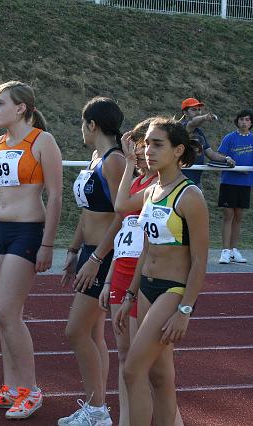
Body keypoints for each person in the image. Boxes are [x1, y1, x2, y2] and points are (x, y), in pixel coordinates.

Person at [0, 81, 62, 420]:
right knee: (3, 314)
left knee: (7, 312)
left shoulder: (42, 141)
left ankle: (31, 389)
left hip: (26, 230)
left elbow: (55, 196)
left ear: (21, 107)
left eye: (0, 103)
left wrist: (48, 243)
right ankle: (11, 387)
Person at [114, 117, 209, 426]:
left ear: (178, 150)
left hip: (172, 290)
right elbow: (123, 210)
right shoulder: (153, 189)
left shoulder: (190, 195)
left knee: (132, 369)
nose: (148, 150)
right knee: (160, 376)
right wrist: (130, 294)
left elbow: (199, 261)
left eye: (157, 144)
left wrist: (184, 310)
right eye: (146, 144)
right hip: (146, 288)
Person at [59, 97, 125, 426]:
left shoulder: (114, 161)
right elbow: (87, 212)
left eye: (82, 124)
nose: (81, 130)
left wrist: (96, 258)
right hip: (89, 252)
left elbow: (123, 213)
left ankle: (97, 409)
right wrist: (73, 252)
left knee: (76, 331)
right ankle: (97, 408)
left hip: (104, 254)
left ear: (92, 125)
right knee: (94, 335)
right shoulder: (96, 157)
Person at [98, 119, 157, 426]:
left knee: (144, 365)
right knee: (124, 357)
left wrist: (132, 161)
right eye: (136, 144)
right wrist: (108, 278)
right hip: (121, 274)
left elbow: (123, 208)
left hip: (145, 277)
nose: (141, 150)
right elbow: (121, 221)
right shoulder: (133, 182)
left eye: (147, 144)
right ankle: (124, 419)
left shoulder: (159, 186)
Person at [217, 109, 253, 264]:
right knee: (228, 215)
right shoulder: (229, 138)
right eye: (242, 119)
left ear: (251, 123)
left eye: (247, 120)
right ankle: (225, 250)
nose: (244, 122)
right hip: (229, 182)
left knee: (238, 216)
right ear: (237, 121)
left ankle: (234, 250)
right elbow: (220, 155)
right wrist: (227, 159)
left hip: (245, 183)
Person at [180, 97, 234, 186]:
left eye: (199, 110)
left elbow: (211, 154)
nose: (197, 112)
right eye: (194, 110)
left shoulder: (199, 133)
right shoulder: (181, 127)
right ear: (185, 113)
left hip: (195, 182)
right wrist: (205, 117)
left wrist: (226, 159)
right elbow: (192, 123)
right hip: (179, 182)